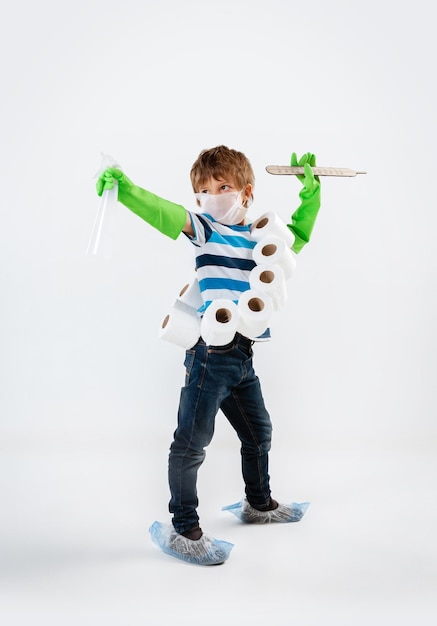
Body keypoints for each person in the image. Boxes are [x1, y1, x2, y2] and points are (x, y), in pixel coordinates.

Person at [96, 146, 321, 565]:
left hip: (242, 353)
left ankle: (259, 503)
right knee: (192, 443)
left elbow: (294, 242)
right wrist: (127, 192)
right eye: (203, 190)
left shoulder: (258, 238)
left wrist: (312, 196)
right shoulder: (204, 228)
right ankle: (185, 527)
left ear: (246, 192)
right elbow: (166, 213)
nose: (212, 195)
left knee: (259, 433)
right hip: (208, 354)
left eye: (222, 187)